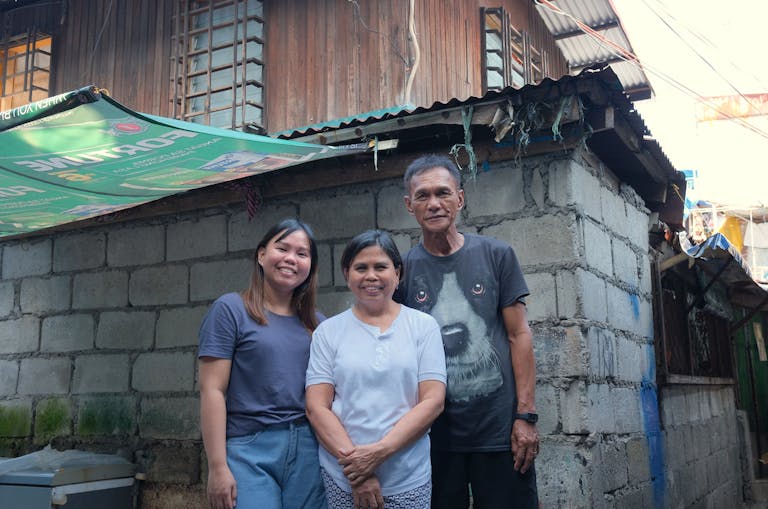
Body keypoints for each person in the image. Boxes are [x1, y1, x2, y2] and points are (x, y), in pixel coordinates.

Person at [395, 154, 540, 509]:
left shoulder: (497, 255)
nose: (433, 204)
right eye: (422, 196)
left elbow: (519, 335)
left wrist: (526, 417)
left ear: (460, 198)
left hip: (499, 432)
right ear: (409, 205)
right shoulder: (403, 271)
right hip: (433, 438)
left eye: (443, 193)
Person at [305, 230, 446, 509]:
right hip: (344, 476)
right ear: (347, 273)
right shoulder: (328, 332)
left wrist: (378, 453)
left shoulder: (422, 326)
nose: (371, 276)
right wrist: (358, 471)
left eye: (380, 267)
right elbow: (316, 407)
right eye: (361, 268)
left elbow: (433, 401)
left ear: (397, 273)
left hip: (407, 475)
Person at [198, 218, 327, 509]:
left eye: (302, 253)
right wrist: (218, 466)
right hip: (249, 448)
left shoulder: (319, 324)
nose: (290, 259)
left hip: (308, 446)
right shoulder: (231, 310)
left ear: (311, 265)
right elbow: (212, 390)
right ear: (261, 254)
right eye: (282, 248)